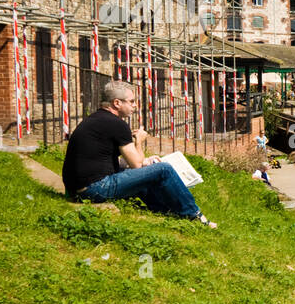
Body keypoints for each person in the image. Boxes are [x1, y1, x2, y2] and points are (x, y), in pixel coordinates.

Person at [62, 79, 216, 228]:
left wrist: (146, 162)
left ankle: (167, 211)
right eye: (131, 101)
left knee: (146, 174)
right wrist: (139, 142)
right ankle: (195, 216)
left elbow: (111, 161)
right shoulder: (117, 124)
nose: (135, 105)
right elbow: (136, 165)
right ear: (117, 103)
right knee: (164, 169)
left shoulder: (97, 119)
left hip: (77, 188)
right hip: (95, 189)